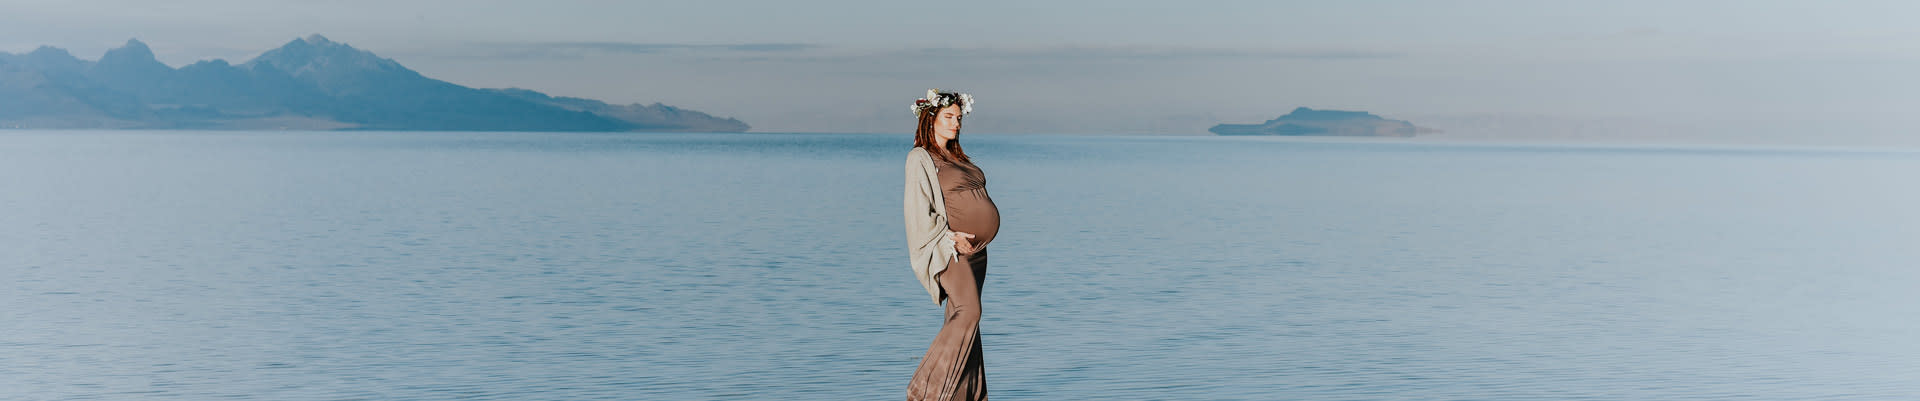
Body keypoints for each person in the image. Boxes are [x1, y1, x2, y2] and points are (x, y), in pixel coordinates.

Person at [903, 89, 997, 400]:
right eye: (948, 117)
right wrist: (948, 238)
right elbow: (918, 212)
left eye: (958, 118)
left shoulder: (956, 157)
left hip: (977, 253)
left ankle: (967, 396)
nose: (956, 123)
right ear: (930, 120)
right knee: (970, 312)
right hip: (951, 250)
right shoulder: (921, 158)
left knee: (967, 326)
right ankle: (923, 390)